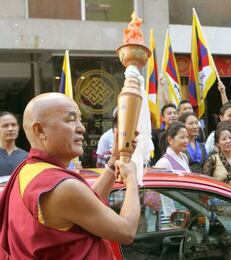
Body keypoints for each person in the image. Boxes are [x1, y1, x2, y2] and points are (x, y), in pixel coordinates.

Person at [0, 93, 140, 258]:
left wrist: (114, 160)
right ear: (40, 130)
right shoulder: (60, 186)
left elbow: (88, 203)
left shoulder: (27, 171)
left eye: (79, 120)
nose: (81, 128)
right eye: (71, 120)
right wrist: (131, 179)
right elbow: (126, 232)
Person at [205, 123, 231, 190]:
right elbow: (206, 184)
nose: (228, 141)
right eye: (224, 139)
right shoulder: (213, 159)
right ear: (217, 143)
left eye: (230, 138)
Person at [0, 112, 27, 176]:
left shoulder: (26, 156)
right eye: (5, 126)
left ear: (18, 127)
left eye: (13, 125)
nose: (10, 129)